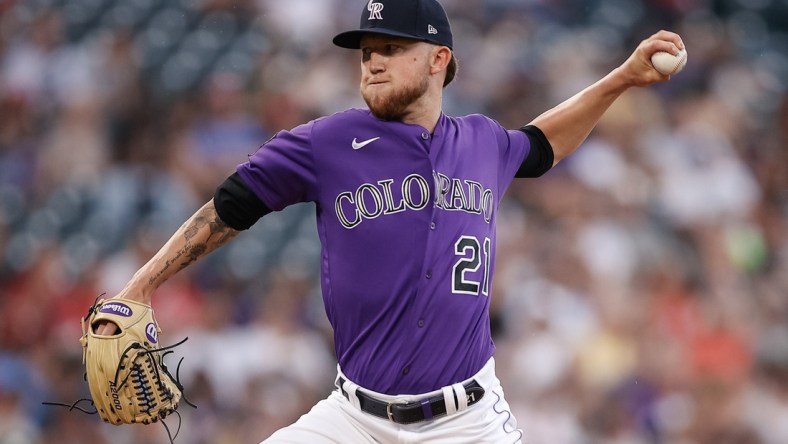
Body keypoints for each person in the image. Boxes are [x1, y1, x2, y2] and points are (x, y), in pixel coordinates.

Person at [96, 0, 685, 442]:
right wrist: (139, 285)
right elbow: (229, 206)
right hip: (353, 417)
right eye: (366, 52)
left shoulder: (482, 142)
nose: (372, 63)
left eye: (390, 48)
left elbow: (542, 143)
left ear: (438, 59)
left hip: (470, 420)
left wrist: (623, 78)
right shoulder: (326, 142)